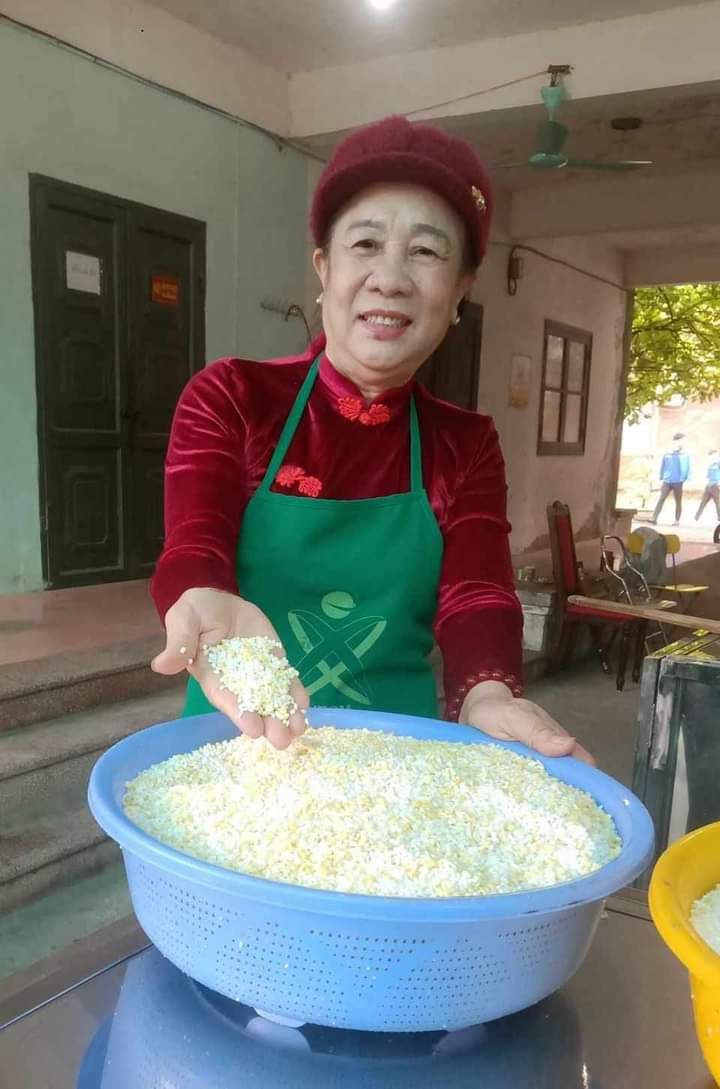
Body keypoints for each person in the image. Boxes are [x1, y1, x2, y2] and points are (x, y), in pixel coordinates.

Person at [150, 115, 592, 764]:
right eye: (364, 243)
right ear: (324, 268)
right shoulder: (233, 397)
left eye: (426, 252)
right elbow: (196, 539)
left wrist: (488, 693)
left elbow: (476, 592)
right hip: (238, 747)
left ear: (460, 289)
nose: (390, 277)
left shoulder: (465, 444)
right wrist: (198, 592)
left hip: (394, 763)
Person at [650, 433, 691, 526]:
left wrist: (687, 478)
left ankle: (677, 520)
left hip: (678, 481)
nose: (684, 442)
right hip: (667, 480)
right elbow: (663, 465)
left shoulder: (685, 454)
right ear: (677, 440)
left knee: (678, 501)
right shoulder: (668, 453)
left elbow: (688, 467)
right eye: (682, 440)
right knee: (661, 498)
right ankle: (654, 518)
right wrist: (661, 477)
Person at [695, 448, 720, 522]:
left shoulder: (718, 463)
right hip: (709, 486)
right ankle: (697, 517)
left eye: (711, 455)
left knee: (717, 503)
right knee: (703, 502)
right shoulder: (710, 465)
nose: (710, 457)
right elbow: (708, 475)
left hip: (716, 486)